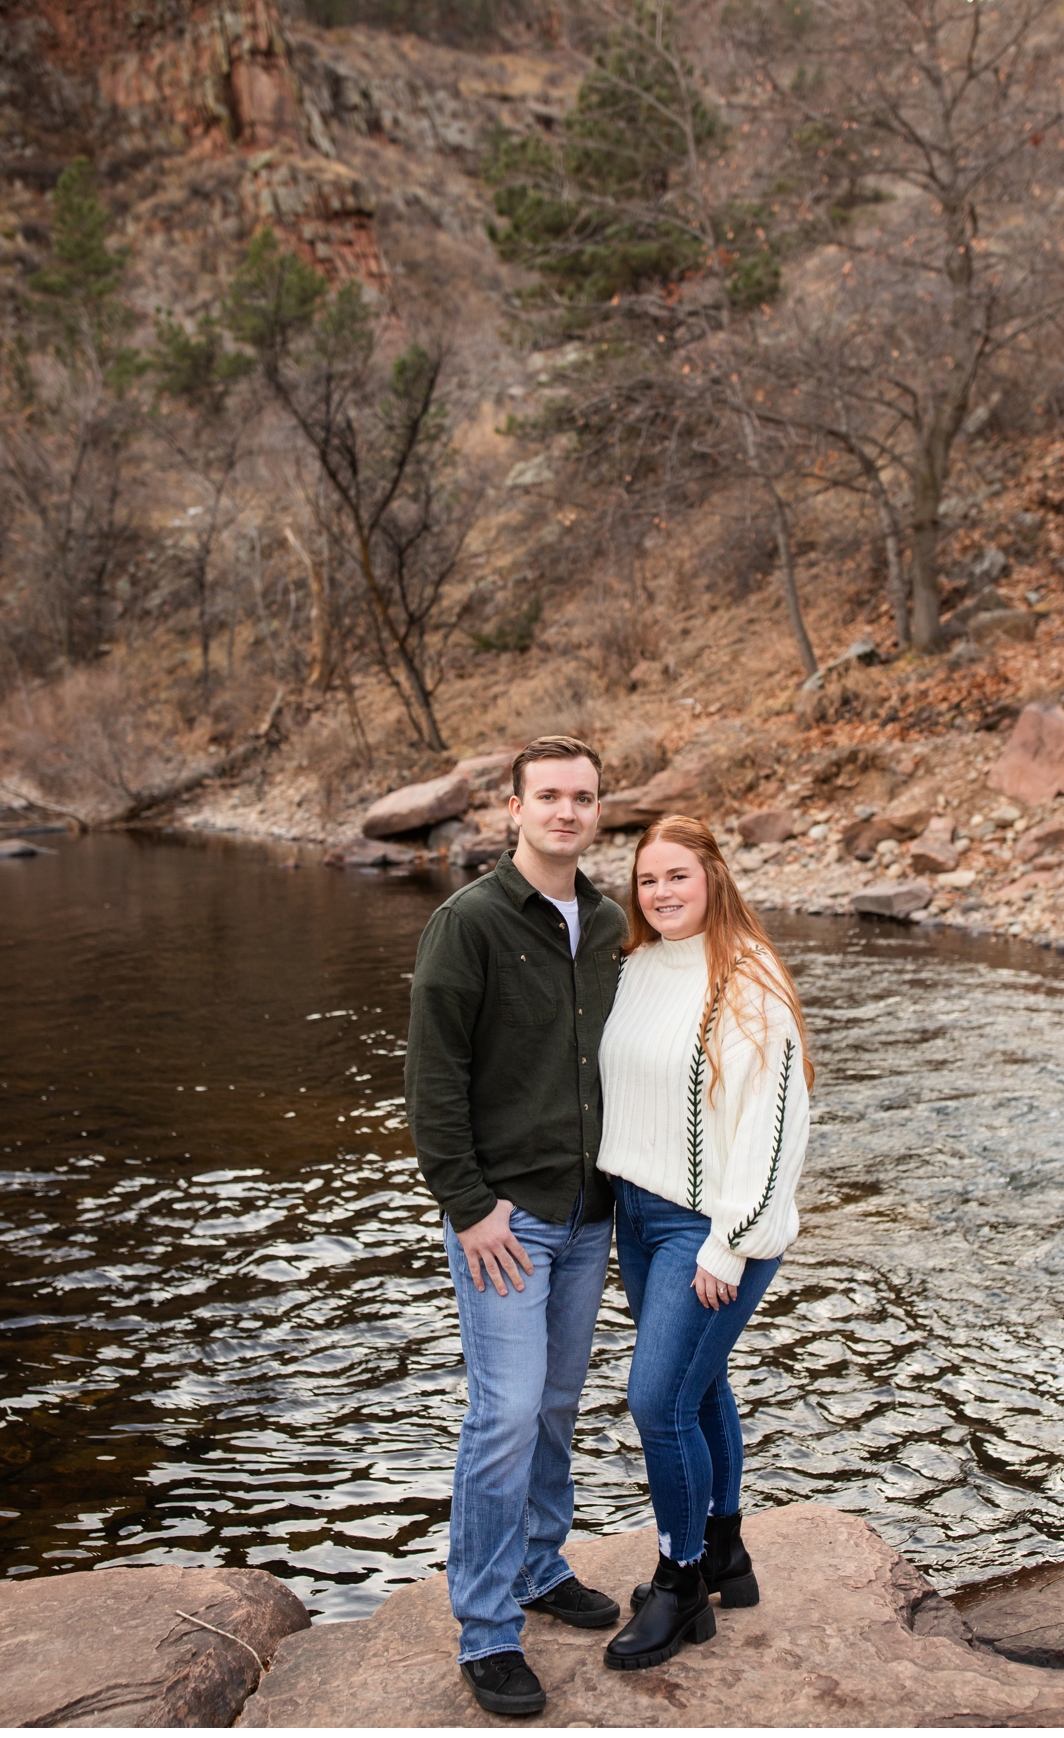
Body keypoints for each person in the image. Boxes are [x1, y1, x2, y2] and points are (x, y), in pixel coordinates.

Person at [407, 734, 629, 1718]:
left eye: (582, 797)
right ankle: (489, 1628)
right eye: (549, 795)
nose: (566, 811)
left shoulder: (617, 923)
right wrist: (469, 1207)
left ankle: (540, 1565)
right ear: (514, 807)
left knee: (554, 1406)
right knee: (501, 1415)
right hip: (507, 1219)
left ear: (596, 810)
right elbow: (433, 1081)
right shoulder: (471, 923)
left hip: (591, 1215)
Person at [595, 814, 812, 1670]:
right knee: (699, 1382)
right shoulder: (637, 966)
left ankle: (680, 1585)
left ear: (714, 878)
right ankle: (727, 1553)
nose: (663, 893)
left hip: (711, 1227)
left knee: (658, 1404)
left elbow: (778, 1126)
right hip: (638, 1217)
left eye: (679, 876)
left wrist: (731, 1243)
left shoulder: (750, 978)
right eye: (649, 880)